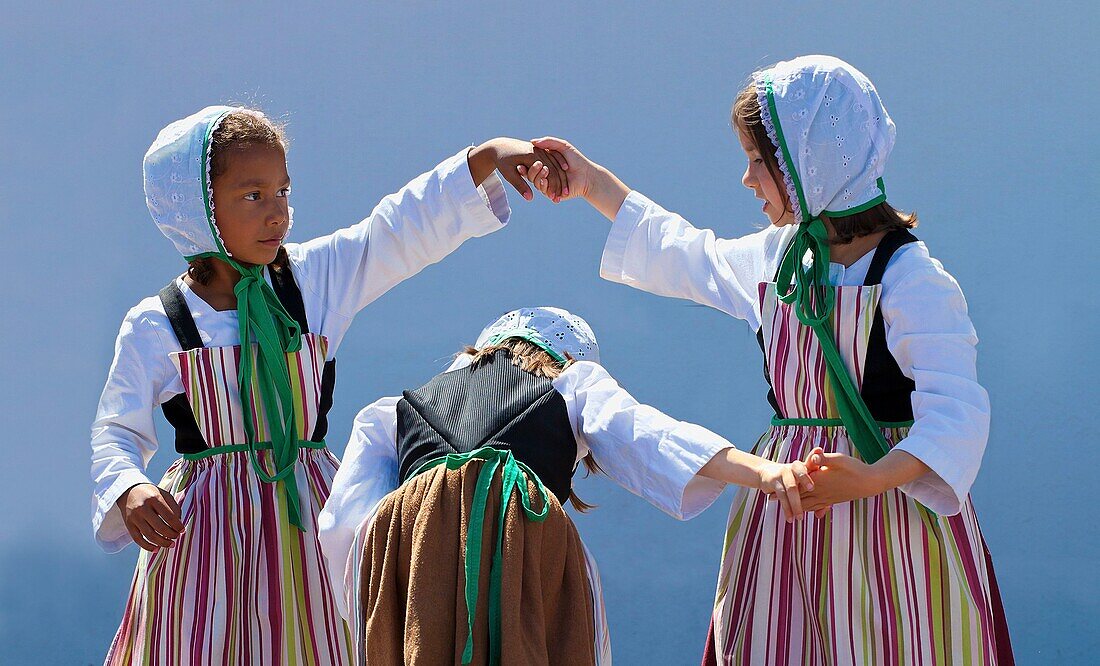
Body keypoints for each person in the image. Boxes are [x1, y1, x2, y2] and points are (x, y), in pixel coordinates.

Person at [523, 55, 1013, 664]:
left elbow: (955, 413)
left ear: (812, 164)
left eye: (760, 161)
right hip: (790, 514)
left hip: (888, 521)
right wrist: (589, 183)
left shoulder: (912, 279)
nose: (747, 180)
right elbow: (686, 255)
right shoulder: (781, 260)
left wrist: (869, 477)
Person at [90, 104, 568, 664]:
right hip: (205, 538)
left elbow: (392, 232)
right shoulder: (158, 322)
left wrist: (484, 159)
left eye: (283, 192)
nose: (278, 214)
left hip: (310, 520)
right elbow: (116, 430)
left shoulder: (313, 280)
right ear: (197, 210)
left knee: (325, 640)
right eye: (253, 196)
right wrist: (128, 486)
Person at [318, 306, 821, 665]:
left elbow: (344, 526)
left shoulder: (393, 411)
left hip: (415, 553)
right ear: (569, 358)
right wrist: (764, 471)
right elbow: (645, 432)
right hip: (519, 545)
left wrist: (375, 611)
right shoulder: (572, 383)